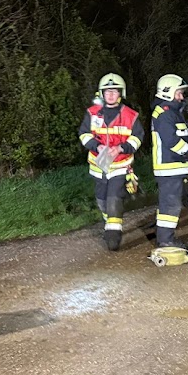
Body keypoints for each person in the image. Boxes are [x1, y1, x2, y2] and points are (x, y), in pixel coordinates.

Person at [78, 73, 144, 251]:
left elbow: (137, 138)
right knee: (102, 200)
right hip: (98, 166)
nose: (111, 94)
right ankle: (110, 224)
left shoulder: (130, 115)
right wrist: (96, 146)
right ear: (102, 93)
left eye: (114, 91)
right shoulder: (92, 113)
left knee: (114, 198)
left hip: (120, 166)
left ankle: (114, 236)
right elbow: (84, 134)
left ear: (121, 93)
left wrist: (121, 148)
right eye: (107, 91)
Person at [150, 73, 188, 248]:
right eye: (179, 93)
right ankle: (166, 241)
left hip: (177, 167)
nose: (182, 97)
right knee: (170, 206)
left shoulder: (174, 113)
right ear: (168, 92)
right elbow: (172, 141)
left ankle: (165, 236)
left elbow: (186, 137)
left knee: (173, 203)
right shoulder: (164, 114)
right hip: (169, 168)